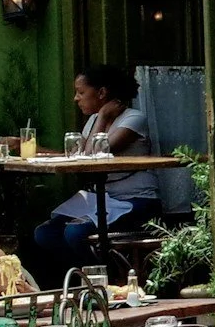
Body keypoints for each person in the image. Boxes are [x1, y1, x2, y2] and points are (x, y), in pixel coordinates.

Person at [27, 65, 156, 285]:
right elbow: (78, 156)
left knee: (75, 234)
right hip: (101, 199)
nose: (76, 99)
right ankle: (81, 281)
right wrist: (33, 149)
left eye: (81, 92)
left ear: (102, 93)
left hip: (135, 200)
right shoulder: (94, 120)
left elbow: (94, 155)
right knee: (45, 233)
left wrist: (103, 116)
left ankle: (107, 281)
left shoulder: (134, 119)